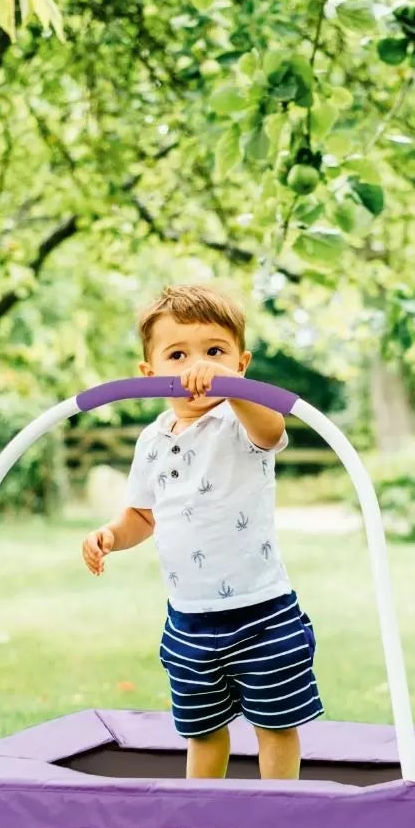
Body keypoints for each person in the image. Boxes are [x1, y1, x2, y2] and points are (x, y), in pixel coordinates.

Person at [80, 285, 321, 779]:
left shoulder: (239, 423)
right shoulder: (151, 441)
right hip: (188, 619)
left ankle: (281, 806)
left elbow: (272, 431)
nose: (198, 367)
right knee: (202, 727)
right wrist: (111, 535)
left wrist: (233, 388)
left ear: (241, 363)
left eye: (214, 352)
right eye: (178, 355)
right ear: (150, 373)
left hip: (262, 612)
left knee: (276, 724)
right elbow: (142, 516)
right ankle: (202, 806)